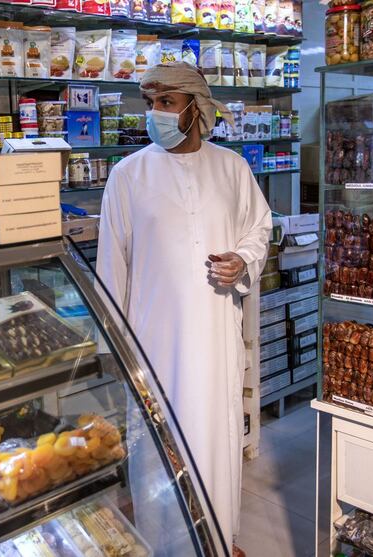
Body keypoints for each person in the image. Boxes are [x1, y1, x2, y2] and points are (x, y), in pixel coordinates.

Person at [96, 62, 272, 556]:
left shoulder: (231, 168)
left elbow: (258, 229)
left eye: (166, 103)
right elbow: (113, 266)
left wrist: (243, 260)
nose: (156, 114)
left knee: (215, 444)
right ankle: (163, 545)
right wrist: (116, 347)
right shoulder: (128, 175)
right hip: (155, 344)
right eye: (150, 104)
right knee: (158, 451)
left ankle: (218, 541)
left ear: (196, 109)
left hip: (216, 337)